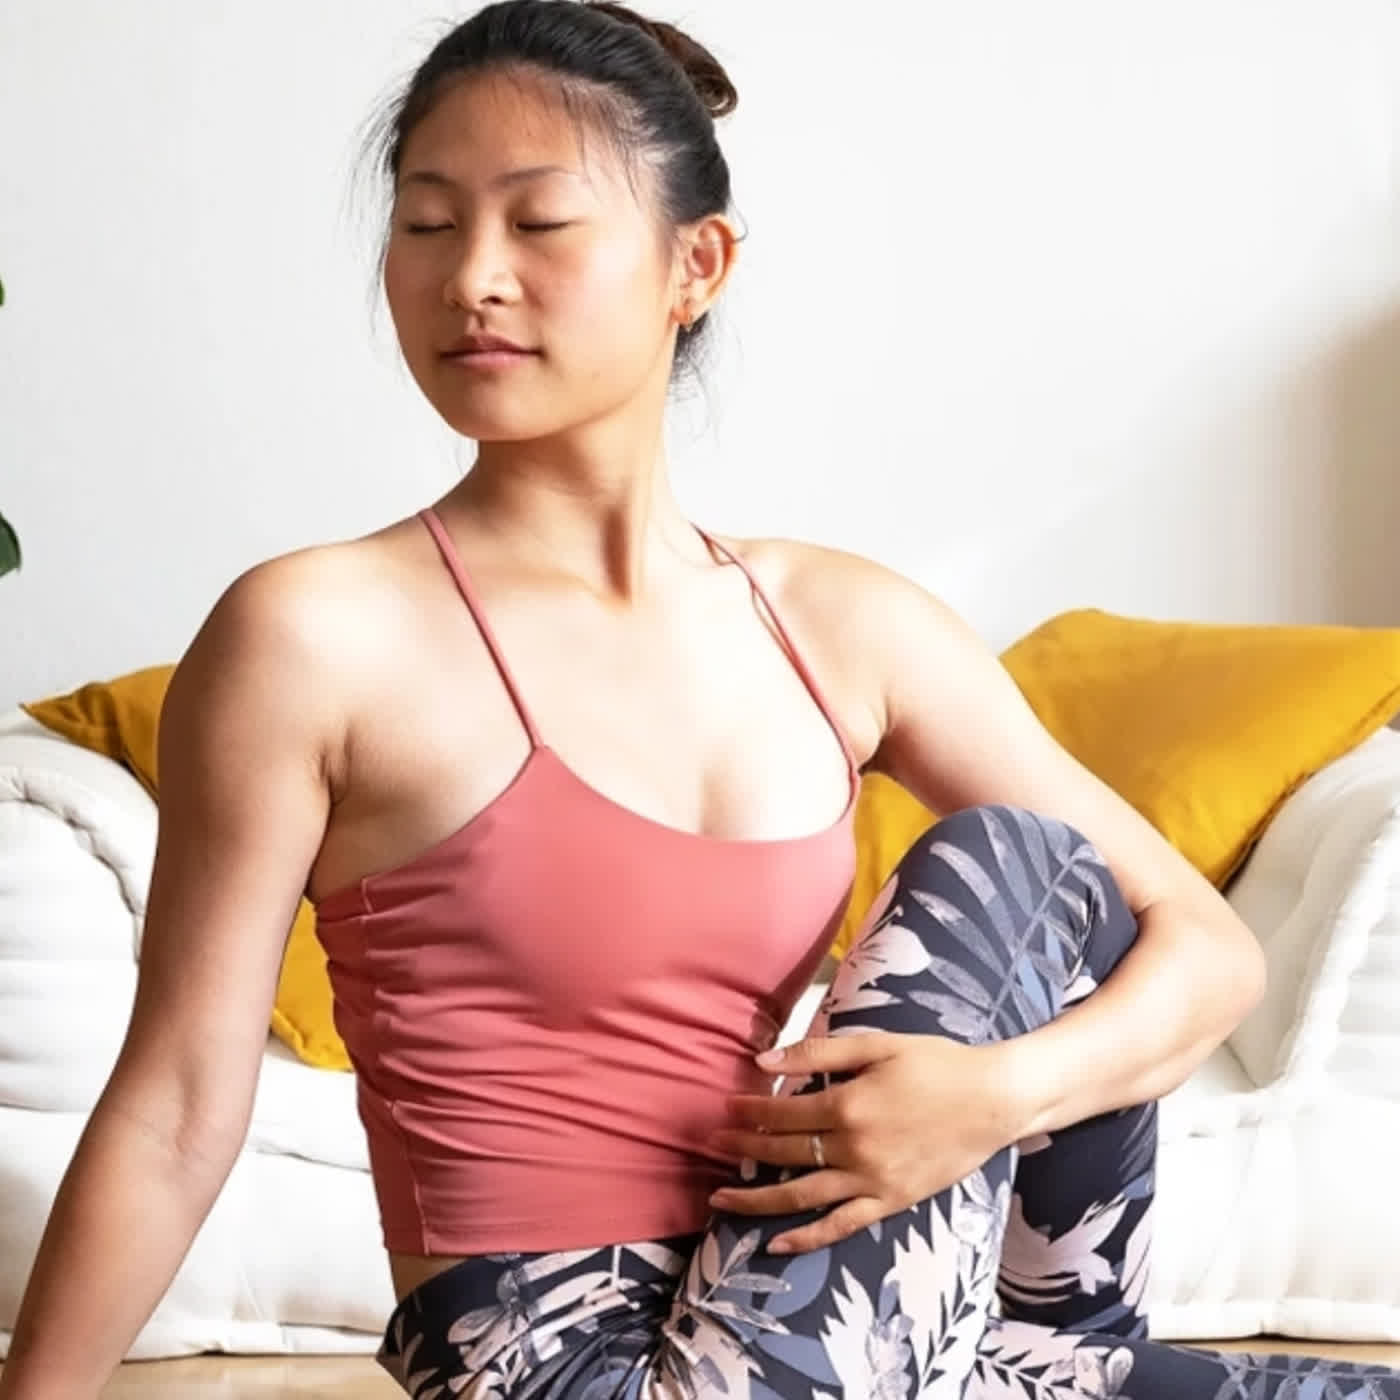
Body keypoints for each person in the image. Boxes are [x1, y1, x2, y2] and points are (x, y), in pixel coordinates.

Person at [3, 3, 1399, 1396]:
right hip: (555, 1353)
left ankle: (1046, 1369)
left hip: (809, 1306)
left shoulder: (839, 625)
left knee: (1034, 866)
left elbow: (1205, 954)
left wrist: (982, 1102)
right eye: (426, 224)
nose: (471, 277)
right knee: (1014, 858)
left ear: (698, 264)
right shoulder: (312, 635)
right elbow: (176, 1107)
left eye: (539, 223)